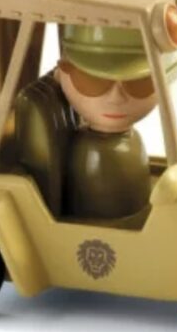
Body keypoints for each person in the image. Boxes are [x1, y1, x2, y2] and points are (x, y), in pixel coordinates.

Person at [54, 24, 157, 219]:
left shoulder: (133, 142)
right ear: (61, 75)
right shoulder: (89, 150)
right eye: (94, 81)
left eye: (139, 82)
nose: (116, 98)